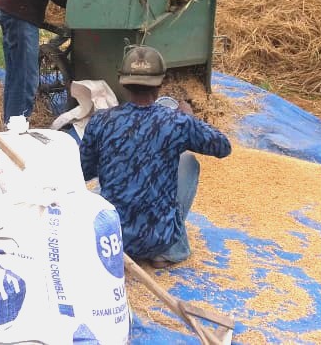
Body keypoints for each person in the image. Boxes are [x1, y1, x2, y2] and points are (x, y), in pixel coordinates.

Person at [79, 46, 231, 267]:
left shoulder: (101, 121)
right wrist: (191, 119)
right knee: (188, 161)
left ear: (123, 81)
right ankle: (170, 250)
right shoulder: (178, 122)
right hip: (159, 240)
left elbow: (84, 171)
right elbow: (223, 147)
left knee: (114, 180)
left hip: (112, 239)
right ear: (160, 83)